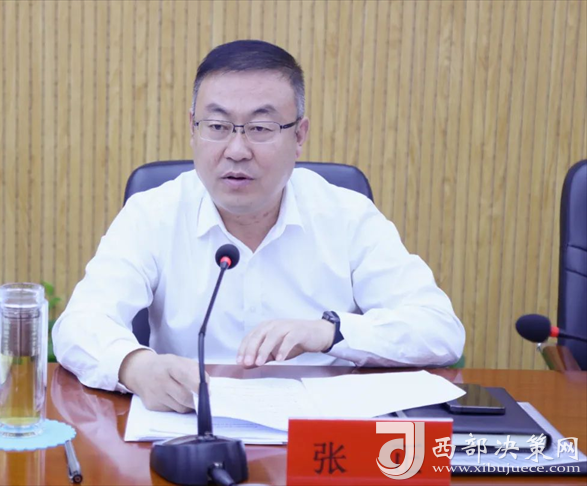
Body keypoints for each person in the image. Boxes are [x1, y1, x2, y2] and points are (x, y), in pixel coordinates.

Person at [53, 40, 465, 413]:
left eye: (260, 129)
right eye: (217, 127)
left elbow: (439, 330)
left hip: (321, 439)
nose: (236, 150)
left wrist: (331, 332)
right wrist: (135, 366)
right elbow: (79, 324)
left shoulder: (347, 215)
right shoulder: (153, 214)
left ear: (299, 135)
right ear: (193, 128)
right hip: (188, 430)